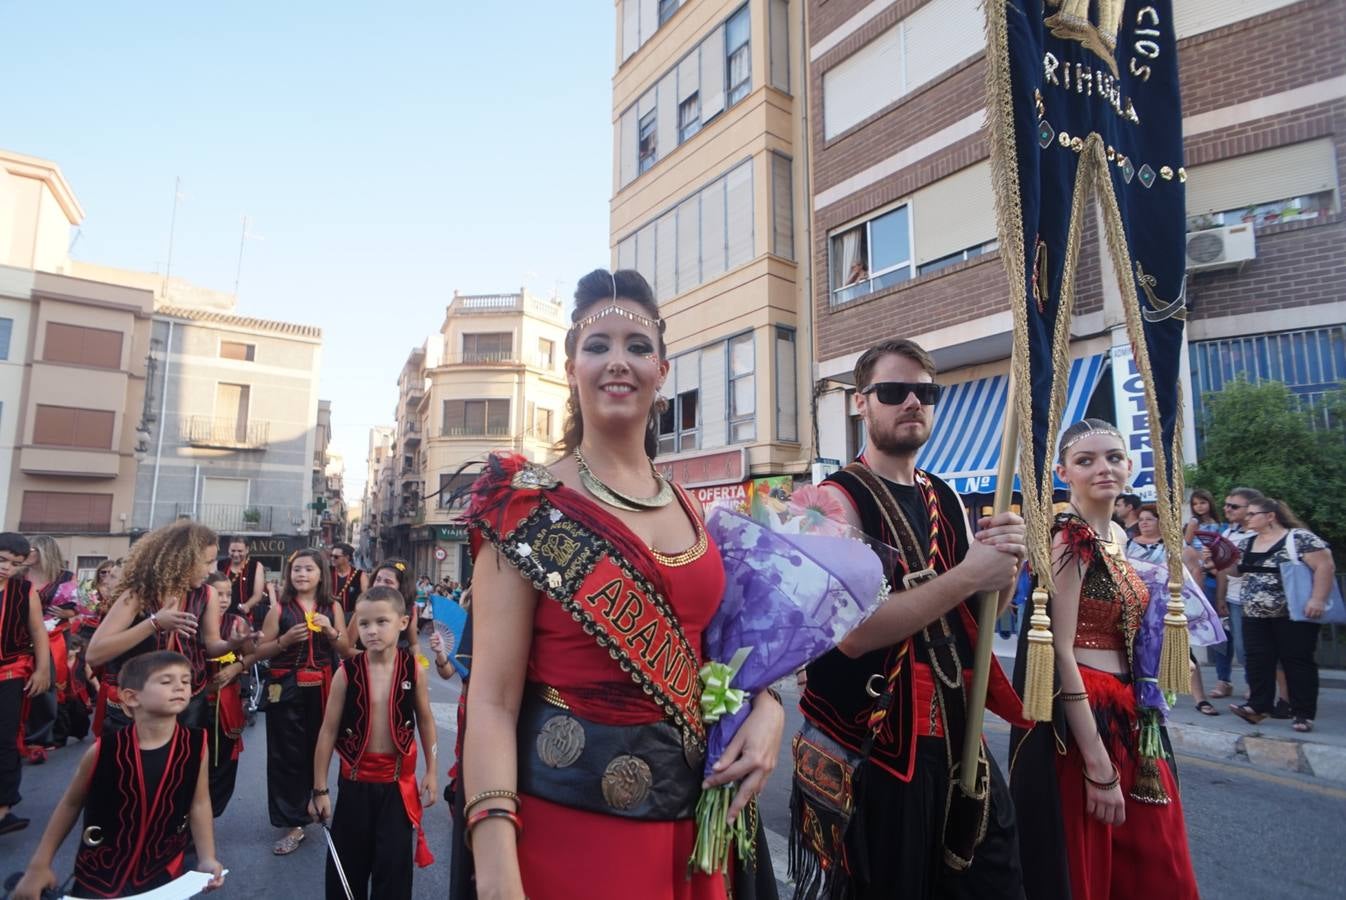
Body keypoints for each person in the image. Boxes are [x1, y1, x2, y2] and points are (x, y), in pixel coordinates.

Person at [456, 269, 783, 900]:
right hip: (573, 835)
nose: (617, 361)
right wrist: (496, 873)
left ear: (662, 372)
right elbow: (493, 704)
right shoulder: (526, 507)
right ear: (572, 369)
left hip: (697, 828)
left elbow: (725, 655)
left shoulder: (694, 509)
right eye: (597, 345)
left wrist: (767, 707)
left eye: (637, 347)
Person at [792, 338, 1028, 900]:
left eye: (926, 392)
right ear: (861, 402)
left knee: (993, 879)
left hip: (958, 732)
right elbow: (852, 634)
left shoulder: (944, 494)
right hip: (879, 746)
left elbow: (979, 611)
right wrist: (971, 574)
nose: (913, 403)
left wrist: (1004, 568)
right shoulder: (830, 503)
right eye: (895, 391)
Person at [1010, 419, 1198, 900]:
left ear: (1130, 466)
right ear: (1063, 473)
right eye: (1086, 460)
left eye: (1113, 457)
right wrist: (1097, 763)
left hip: (1131, 708)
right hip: (1089, 715)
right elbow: (1061, 650)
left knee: (1155, 856)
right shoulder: (1068, 539)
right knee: (1092, 859)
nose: (1103, 468)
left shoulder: (1115, 533)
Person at [11, 650, 224, 900]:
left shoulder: (197, 744)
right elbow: (70, 804)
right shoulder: (104, 750)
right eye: (167, 681)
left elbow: (199, 803)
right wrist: (39, 865)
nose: (180, 687)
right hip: (101, 877)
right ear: (131, 697)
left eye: (186, 681)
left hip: (165, 873)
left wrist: (207, 857)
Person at [311, 586, 437, 899]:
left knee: (393, 872)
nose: (372, 630)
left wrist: (432, 771)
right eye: (364, 624)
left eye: (382, 621)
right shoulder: (347, 672)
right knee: (346, 872)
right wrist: (320, 789)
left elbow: (425, 721)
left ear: (403, 622)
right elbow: (327, 731)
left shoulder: (413, 671)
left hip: (396, 786)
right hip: (354, 784)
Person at [254, 548, 355, 855]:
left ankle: (316, 798)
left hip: (323, 684)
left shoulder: (331, 606)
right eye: (296, 569)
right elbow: (260, 651)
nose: (301, 575)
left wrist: (329, 629)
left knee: (319, 747)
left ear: (321, 574)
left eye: (308, 569)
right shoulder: (280, 608)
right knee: (285, 753)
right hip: (283, 687)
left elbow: (347, 649)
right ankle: (294, 821)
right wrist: (284, 641)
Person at [86, 521, 222, 737]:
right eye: (207, 562)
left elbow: (214, 645)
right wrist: (154, 624)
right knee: (133, 768)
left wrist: (236, 644)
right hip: (138, 706)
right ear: (183, 560)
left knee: (185, 767)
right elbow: (94, 654)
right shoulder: (137, 595)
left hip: (190, 705)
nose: (212, 570)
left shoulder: (207, 594)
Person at [1228, 498, 1335, 733]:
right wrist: (1218, 558)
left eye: (1252, 514)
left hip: (1292, 611)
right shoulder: (1248, 543)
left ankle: (1302, 713)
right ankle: (1258, 706)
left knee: (1296, 660)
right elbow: (1237, 571)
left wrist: (1317, 598)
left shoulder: (1298, 538)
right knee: (1257, 658)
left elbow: (1325, 565)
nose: (1247, 518)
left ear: (1270, 516)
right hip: (1254, 612)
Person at [1125, 506, 1219, 717]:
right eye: (1141, 519)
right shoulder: (1128, 545)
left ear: (1160, 521)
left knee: (1183, 652)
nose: (1144, 523)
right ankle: (1144, 696)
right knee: (1138, 652)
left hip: (1167, 607)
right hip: (1138, 606)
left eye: (1149, 519)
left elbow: (1193, 573)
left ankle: (1200, 698)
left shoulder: (1174, 546)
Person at [0, 533, 50, 836]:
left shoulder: (25, 590)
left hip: (10, 671)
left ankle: (3, 808)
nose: (7, 568)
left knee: (4, 739)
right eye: (3, 560)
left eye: (15, 564)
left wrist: (43, 669)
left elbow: (38, 632)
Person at [21, 536, 75, 750]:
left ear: (43, 552)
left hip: (55, 635)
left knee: (47, 683)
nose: (27, 553)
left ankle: (40, 736)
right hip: (21, 634)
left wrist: (68, 611)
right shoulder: (18, 575)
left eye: (32, 549)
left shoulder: (64, 577)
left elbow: (82, 605)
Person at [1184, 490, 1231, 698]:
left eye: (1203, 502)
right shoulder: (1194, 523)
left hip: (1222, 575)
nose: (1199, 507)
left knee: (1227, 632)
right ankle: (1223, 679)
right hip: (1202, 576)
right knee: (1214, 631)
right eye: (1195, 504)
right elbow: (1186, 545)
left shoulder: (1222, 526)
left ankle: (1226, 678)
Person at [369, 558, 421, 650]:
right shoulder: (364, 607)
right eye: (378, 579)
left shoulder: (410, 610)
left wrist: (417, 662)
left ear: (401, 587)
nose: (380, 584)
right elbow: (346, 650)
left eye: (388, 582)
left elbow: (414, 644)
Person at [220, 537, 267, 624]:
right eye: (233, 551)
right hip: (221, 615)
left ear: (247, 550)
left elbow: (258, 594)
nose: (236, 554)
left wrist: (247, 605)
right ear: (228, 550)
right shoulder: (220, 564)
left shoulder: (256, 566)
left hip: (244, 617)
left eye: (240, 551)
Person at [329, 543, 369, 617]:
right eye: (331, 556)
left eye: (336, 557)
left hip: (350, 616)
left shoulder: (359, 575)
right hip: (328, 614)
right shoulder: (327, 571)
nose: (332, 559)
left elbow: (366, 597)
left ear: (347, 557)